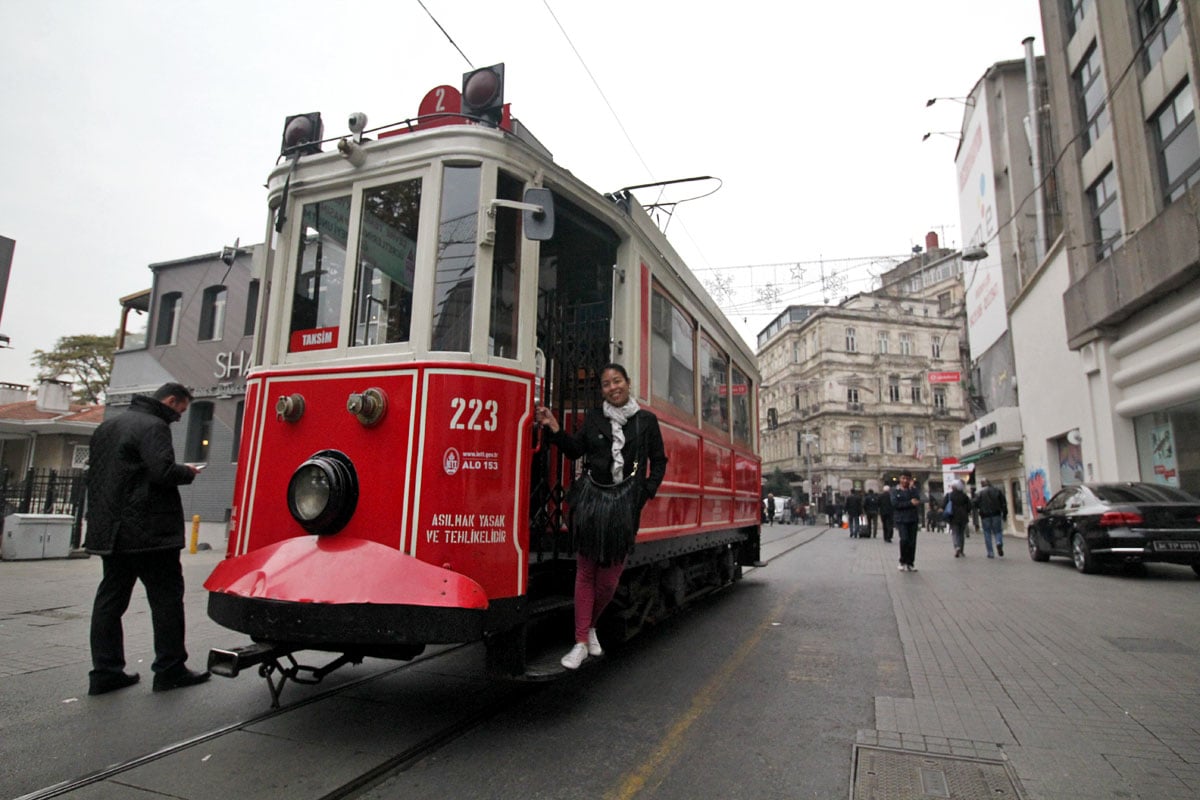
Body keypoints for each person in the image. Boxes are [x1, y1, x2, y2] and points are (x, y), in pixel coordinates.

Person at [535, 364, 668, 670]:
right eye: (606, 384)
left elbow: (658, 460)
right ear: (603, 390)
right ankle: (581, 641)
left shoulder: (646, 421)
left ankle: (591, 626)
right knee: (586, 572)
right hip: (592, 501)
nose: (612, 387)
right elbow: (574, 450)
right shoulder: (595, 417)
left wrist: (644, 492)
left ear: (628, 383)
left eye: (617, 381)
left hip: (624, 505)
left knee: (608, 580)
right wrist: (555, 427)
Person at [85, 383, 210, 695]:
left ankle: (105, 671)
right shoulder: (154, 426)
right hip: (149, 531)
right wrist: (188, 472)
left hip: (111, 530)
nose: (179, 418)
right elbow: (162, 472)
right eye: (180, 411)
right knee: (166, 599)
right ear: (170, 400)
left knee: (109, 601)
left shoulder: (107, 427)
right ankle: (170, 669)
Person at [892, 471, 922, 571]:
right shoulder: (895, 491)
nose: (905, 480)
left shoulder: (913, 490)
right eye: (903, 478)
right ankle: (902, 561)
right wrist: (909, 503)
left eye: (907, 479)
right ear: (900, 479)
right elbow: (895, 504)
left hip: (912, 519)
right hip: (901, 520)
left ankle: (910, 563)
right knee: (904, 540)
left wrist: (912, 489)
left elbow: (917, 500)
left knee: (912, 542)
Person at [976, 478, 1008, 557]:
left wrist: (979, 509)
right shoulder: (997, 491)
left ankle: (990, 552)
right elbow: (1003, 502)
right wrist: (1004, 513)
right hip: (996, 514)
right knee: (998, 531)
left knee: (987, 533)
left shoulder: (980, 493)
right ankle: (998, 542)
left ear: (982, 484)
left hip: (985, 515)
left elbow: (975, 503)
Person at [944, 479, 972, 557]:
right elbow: (969, 506)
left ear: (953, 487)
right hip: (963, 517)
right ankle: (962, 550)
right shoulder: (964, 496)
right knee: (961, 534)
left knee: (955, 533)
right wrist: (967, 511)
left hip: (953, 517)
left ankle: (957, 547)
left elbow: (944, 505)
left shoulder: (949, 495)